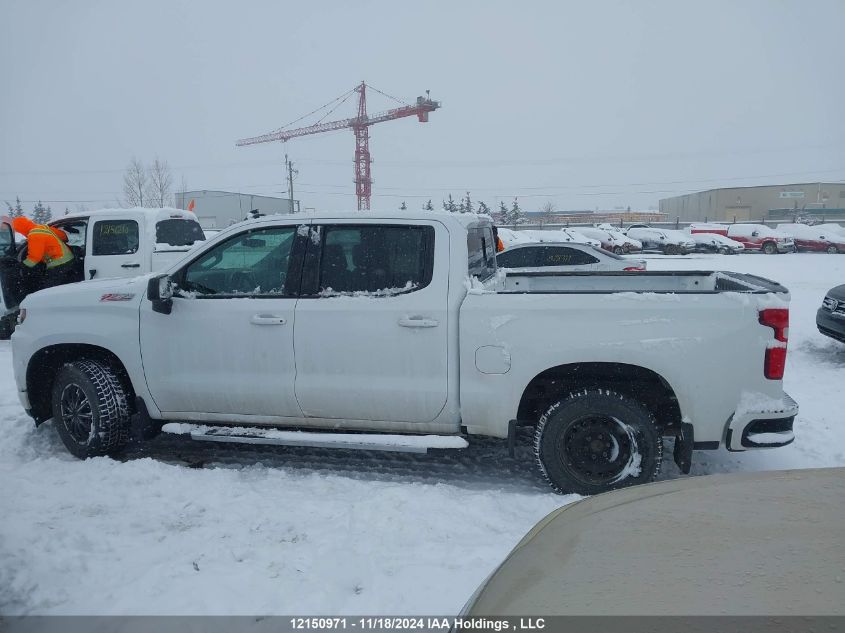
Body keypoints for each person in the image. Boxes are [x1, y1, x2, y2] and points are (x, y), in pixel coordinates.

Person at [11, 217, 75, 291]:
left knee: (47, 290)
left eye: (19, 231)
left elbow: (34, 258)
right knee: (62, 287)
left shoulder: (34, 234)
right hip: (69, 259)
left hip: (59, 264)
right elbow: (64, 236)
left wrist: (21, 266)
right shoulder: (43, 228)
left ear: (21, 229)